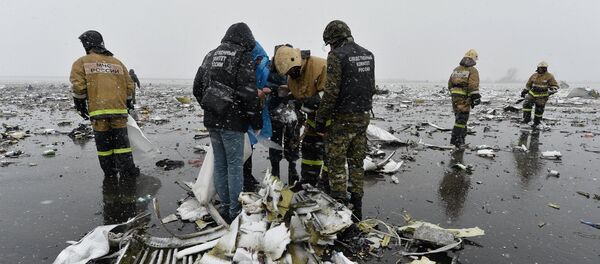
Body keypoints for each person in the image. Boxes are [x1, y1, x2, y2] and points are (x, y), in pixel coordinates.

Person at [192, 22, 262, 222]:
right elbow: (249, 92)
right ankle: (235, 212)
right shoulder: (241, 56)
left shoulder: (210, 55)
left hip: (213, 120)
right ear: (246, 39)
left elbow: (197, 87)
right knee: (234, 165)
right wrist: (255, 121)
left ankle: (224, 206)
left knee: (221, 165)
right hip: (233, 121)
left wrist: (211, 105)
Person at [315, 20, 375, 220]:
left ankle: (340, 208)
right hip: (363, 116)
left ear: (333, 39)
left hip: (342, 118)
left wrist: (321, 120)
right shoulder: (368, 55)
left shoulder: (337, 56)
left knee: (337, 163)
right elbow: (370, 87)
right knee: (357, 162)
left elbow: (331, 92)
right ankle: (357, 206)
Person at [70, 30, 139, 182]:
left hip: (98, 112)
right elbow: (129, 86)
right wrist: (127, 103)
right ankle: (128, 172)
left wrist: (80, 104)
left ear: (87, 44)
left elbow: (79, 87)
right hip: (119, 111)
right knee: (122, 145)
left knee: (104, 147)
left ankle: (110, 174)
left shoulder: (82, 62)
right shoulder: (117, 63)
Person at [274, 45, 328, 188]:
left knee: (330, 154)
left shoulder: (320, 66)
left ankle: (328, 184)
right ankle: (309, 181)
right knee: (309, 148)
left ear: (296, 61)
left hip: (331, 121)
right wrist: (291, 99)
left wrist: (312, 102)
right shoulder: (292, 78)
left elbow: (328, 93)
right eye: (288, 73)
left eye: (292, 71)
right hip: (313, 121)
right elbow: (299, 95)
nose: (291, 75)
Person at [268, 45, 302, 184]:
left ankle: (292, 168)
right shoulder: (270, 69)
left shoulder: (295, 66)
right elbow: (265, 83)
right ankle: (275, 170)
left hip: (292, 110)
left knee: (292, 141)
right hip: (275, 110)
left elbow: (301, 86)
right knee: (275, 142)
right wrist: (276, 90)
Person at [243, 41, 273, 192]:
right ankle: (244, 180)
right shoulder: (244, 66)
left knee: (249, 146)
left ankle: (247, 178)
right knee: (243, 148)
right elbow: (243, 89)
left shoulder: (261, 67)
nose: (259, 62)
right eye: (257, 59)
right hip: (244, 113)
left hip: (253, 111)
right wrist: (257, 92)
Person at [448, 49, 481, 147]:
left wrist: (454, 94)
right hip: (464, 98)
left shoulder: (456, 69)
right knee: (462, 119)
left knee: (459, 118)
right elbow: (473, 85)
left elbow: (449, 84)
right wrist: (475, 97)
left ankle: (461, 139)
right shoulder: (472, 70)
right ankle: (456, 141)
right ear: (473, 59)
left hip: (455, 97)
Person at [521, 61, 558, 128]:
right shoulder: (534, 75)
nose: (541, 69)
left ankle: (537, 122)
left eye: (543, 68)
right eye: (540, 68)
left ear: (545, 68)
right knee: (526, 104)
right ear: (538, 68)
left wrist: (552, 89)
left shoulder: (549, 76)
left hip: (542, 96)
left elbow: (555, 86)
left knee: (539, 109)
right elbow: (528, 84)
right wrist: (525, 90)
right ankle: (526, 120)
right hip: (532, 94)